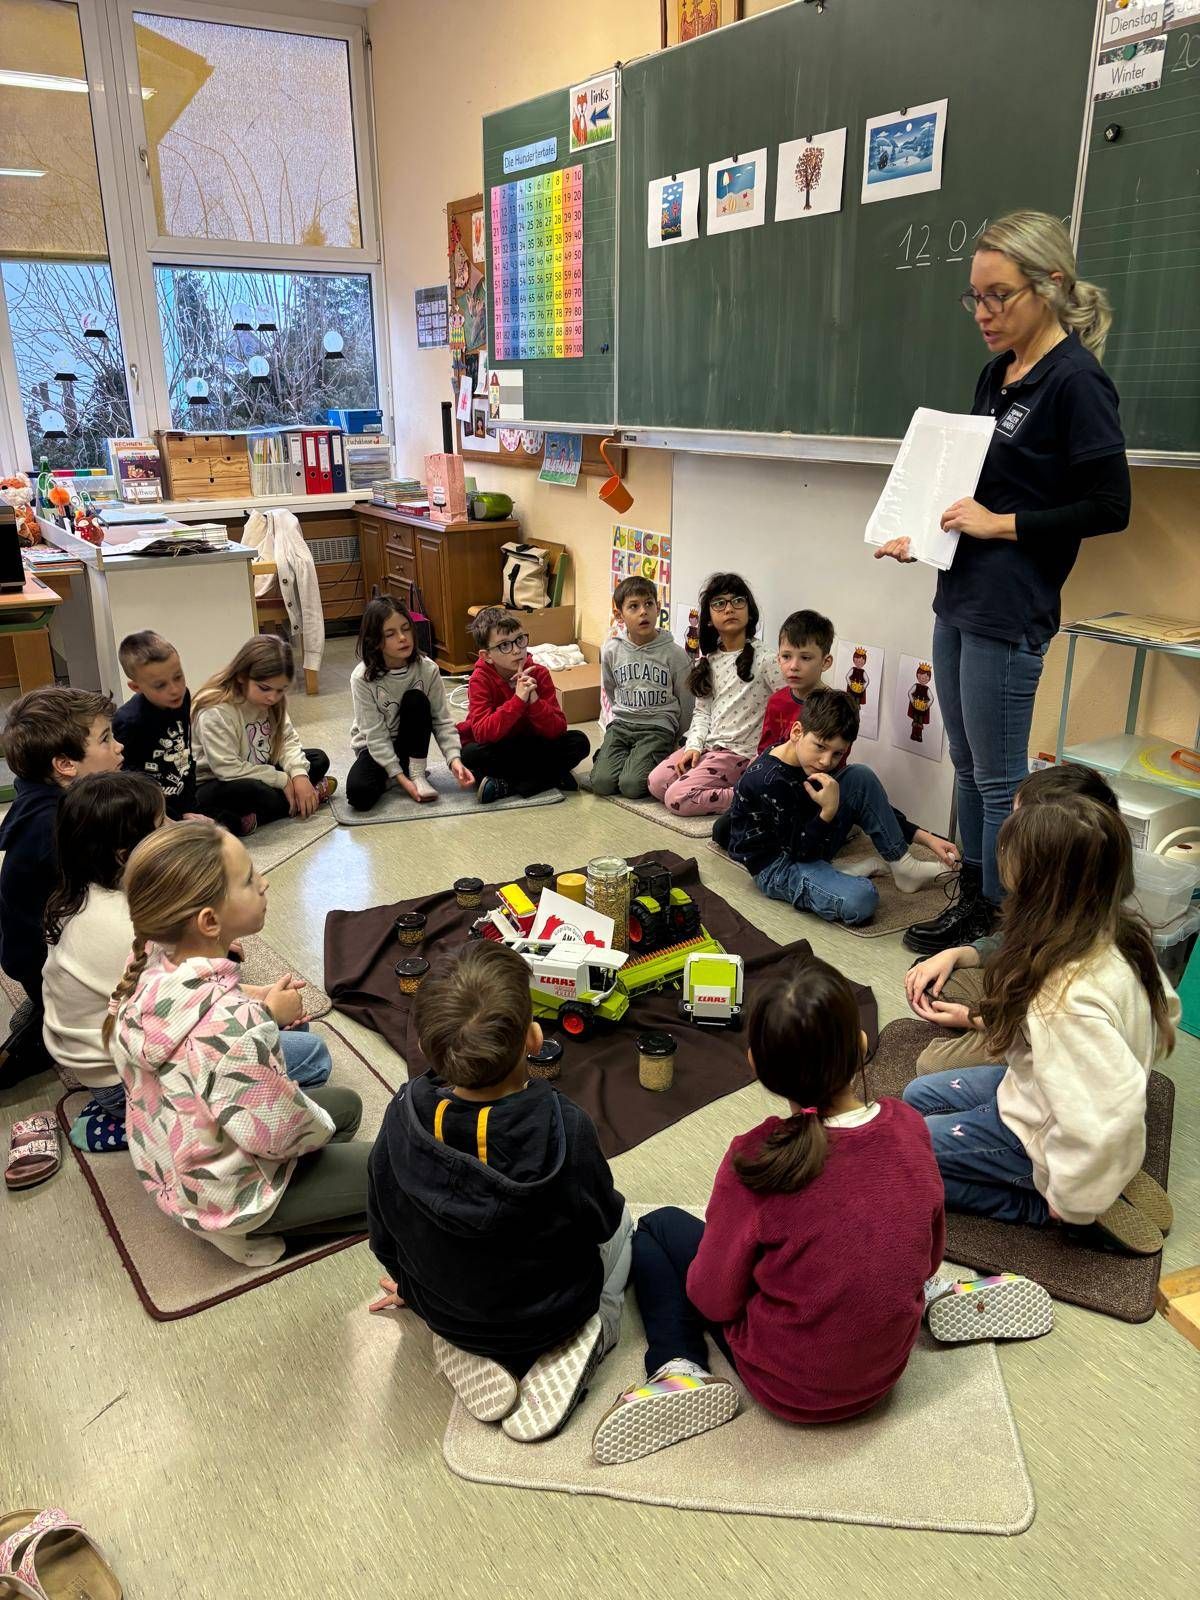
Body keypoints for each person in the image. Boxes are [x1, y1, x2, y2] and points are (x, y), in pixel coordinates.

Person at [874, 211, 1130, 954]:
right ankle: (975, 901)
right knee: (965, 761)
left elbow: (1110, 506)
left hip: (1010, 606)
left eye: (997, 296)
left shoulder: (1077, 381)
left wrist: (1002, 525)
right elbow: (968, 485)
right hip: (959, 593)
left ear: (1049, 285)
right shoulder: (999, 373)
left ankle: (997, 922)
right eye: (973, 298)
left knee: (998, 779)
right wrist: (921, 533)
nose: (982, 314)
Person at [591, 958, 947, 1466]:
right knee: (876, 1249)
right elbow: (930, 1255)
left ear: (756, 1064)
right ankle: (911, 1299)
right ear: (863, 1047)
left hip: (788, 1387)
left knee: (655, 1229)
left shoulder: (754, 1160)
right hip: (883, 1376)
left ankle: (678, 1365)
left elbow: (712, 1298)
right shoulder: (910, 1126)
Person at [367, 940, 633, 1443]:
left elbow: (381, 1222)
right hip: (551, 1317)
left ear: (426, 1048)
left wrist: (407, 1285)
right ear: (534, 1039)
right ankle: (591, 1338)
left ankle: (468, 1341)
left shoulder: (401, 1115)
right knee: (627, 1228)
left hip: (443, 1308)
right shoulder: (566, 1129)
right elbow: (600, 1220)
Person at [903, 798, 1179, 1255]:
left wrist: (1071, 1197)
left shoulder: (1063, 1000)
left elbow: (1110, 1110)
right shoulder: (1117, 934)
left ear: (1041, 891)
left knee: (905, 1158)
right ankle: (1105, 1169)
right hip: (1038, 1094)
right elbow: (1164, 1012)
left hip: (1045, 1130)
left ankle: (1043, 1200)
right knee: (917, 1096)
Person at [105, 822, 362, 1266]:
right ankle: (243, 1232)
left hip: (179, 1169)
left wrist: (262, 1006)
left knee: (348, 1107)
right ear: (209, 921)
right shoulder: (236, 1026)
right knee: (398, 1178)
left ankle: (286, 1201)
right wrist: (264, 1021)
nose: (263, 882)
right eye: (248, 880)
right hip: (227, 1194)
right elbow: (282, 1133)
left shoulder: (145, 963)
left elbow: (200, 1034)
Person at [906, 762, 1122, 1074]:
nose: (1006, 830)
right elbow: (1010, 941)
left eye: (1017, 821)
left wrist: (972, 1019)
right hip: (1021, 1002)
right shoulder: (1053, 893)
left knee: (931, 1066)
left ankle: (1004, 1065)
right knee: (927, 978)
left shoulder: (1084, 945)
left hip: (1043, 1032)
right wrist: (958, 953)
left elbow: (1040, 1018)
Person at [728, 688, 954, 927]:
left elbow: (872, 805)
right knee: (861, 899)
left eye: (837, 754)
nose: (826, 761)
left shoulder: (809, 763)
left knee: (860, 776)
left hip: (809, 834)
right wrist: (827, 812)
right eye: (820, 747)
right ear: (796, 732)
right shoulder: (769, 781)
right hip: (780, 863)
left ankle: (903, 865)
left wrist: (925, 838)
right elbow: (798, 851)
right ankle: (836, 874)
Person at [0, 688, 122, 1087]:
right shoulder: (56, 827)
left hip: (33, 953)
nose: (118, 746)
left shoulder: (43, 797)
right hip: (48, 962)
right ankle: (45, 1029)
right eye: (105, 739)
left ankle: (43, 1010)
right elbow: (112, 900)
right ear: (65, 764)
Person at [42, 772, 166, 1151]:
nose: (172, 832)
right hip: (119, 1081)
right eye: (162, 827)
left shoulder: (83, 892)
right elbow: (179, 1012)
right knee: (306, 1057)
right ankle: (138, 1124)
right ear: (124, 855)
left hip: (92, 1061)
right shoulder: (125, 923)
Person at [647, 572, 778, 817]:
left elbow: (789, 703)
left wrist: (765, 759)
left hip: (739, 754)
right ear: (709, 618)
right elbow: (702, 712)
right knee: (657, 783)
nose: (729, 609)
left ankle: (750, 796)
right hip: (709, 747)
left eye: (738, 601)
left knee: (677, 798)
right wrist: (693, 747)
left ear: (750, 612)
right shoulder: (709, 660)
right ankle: (723, 783)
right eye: (719, 603)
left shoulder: (766, 659)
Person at [712, 608, 835, 853]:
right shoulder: (777, 700)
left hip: (809, 787)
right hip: (773, 784)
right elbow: (764, 750)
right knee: (723, 832)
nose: (794, 666)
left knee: (790, 839)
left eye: (805, 658)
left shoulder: (831, 705)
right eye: (786, 657)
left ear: (826, 661)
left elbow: (833, 759)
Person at [192, 636, 335, 834]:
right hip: (218, 782)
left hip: (257, 768)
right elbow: (227, 769)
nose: (272, 697)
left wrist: (299, 776)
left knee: (318, 759)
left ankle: (259, 814)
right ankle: (306, 798)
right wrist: (283, 780)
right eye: (265, 688)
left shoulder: (273, 700)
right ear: (242, 676)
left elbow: (287, 740)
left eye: (280, 690)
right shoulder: (215, 711)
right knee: (254, 791)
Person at [347, 596, 474, 811]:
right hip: (377, 748)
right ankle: (399, 775)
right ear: (376, 641)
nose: (402, 638)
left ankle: (415, 772)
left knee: (415, 699)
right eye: (391, 634)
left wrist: (455, 761)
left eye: (406, 629)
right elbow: (375, 734)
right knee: (359, 795)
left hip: (412, 746)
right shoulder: (361, 678)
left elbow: (442, 721)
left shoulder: (427, 669)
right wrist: (401, 780)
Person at [457, 607, 590, 804]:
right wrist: (518, 701)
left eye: (520, 639)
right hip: (500, 746)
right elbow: (483, 733)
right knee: (470, 754)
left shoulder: (539, 673)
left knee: (579, 742)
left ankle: (507, 785)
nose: (517, 649)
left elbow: (557, 728)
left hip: (531, 742)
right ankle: (550, 777)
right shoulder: (480, 678)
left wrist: (534, 700)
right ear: (486, 656)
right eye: (504, 645)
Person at [591, 576, 693, 799]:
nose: (643, 612)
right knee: (601, 783)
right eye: (633, 606)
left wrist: (680, 739)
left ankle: (651, 758)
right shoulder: (611, 651)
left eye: (649, 604)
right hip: (622, 725)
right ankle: (612, 757)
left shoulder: (674, 654)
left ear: (658, 608)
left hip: (657, 728)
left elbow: (686, 701)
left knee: (631, 786)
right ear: (620, 615)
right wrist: (620, 715)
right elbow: (610, 689)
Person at [111, 631, 196, 820]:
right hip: (153, 806)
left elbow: (185, 748)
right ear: (136, 687)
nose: (175, 690)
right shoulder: (129, 721)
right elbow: (127, 778)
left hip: (182, 790)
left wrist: (190, 803)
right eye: (160, 685)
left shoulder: (183, 697)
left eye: (178, 677)